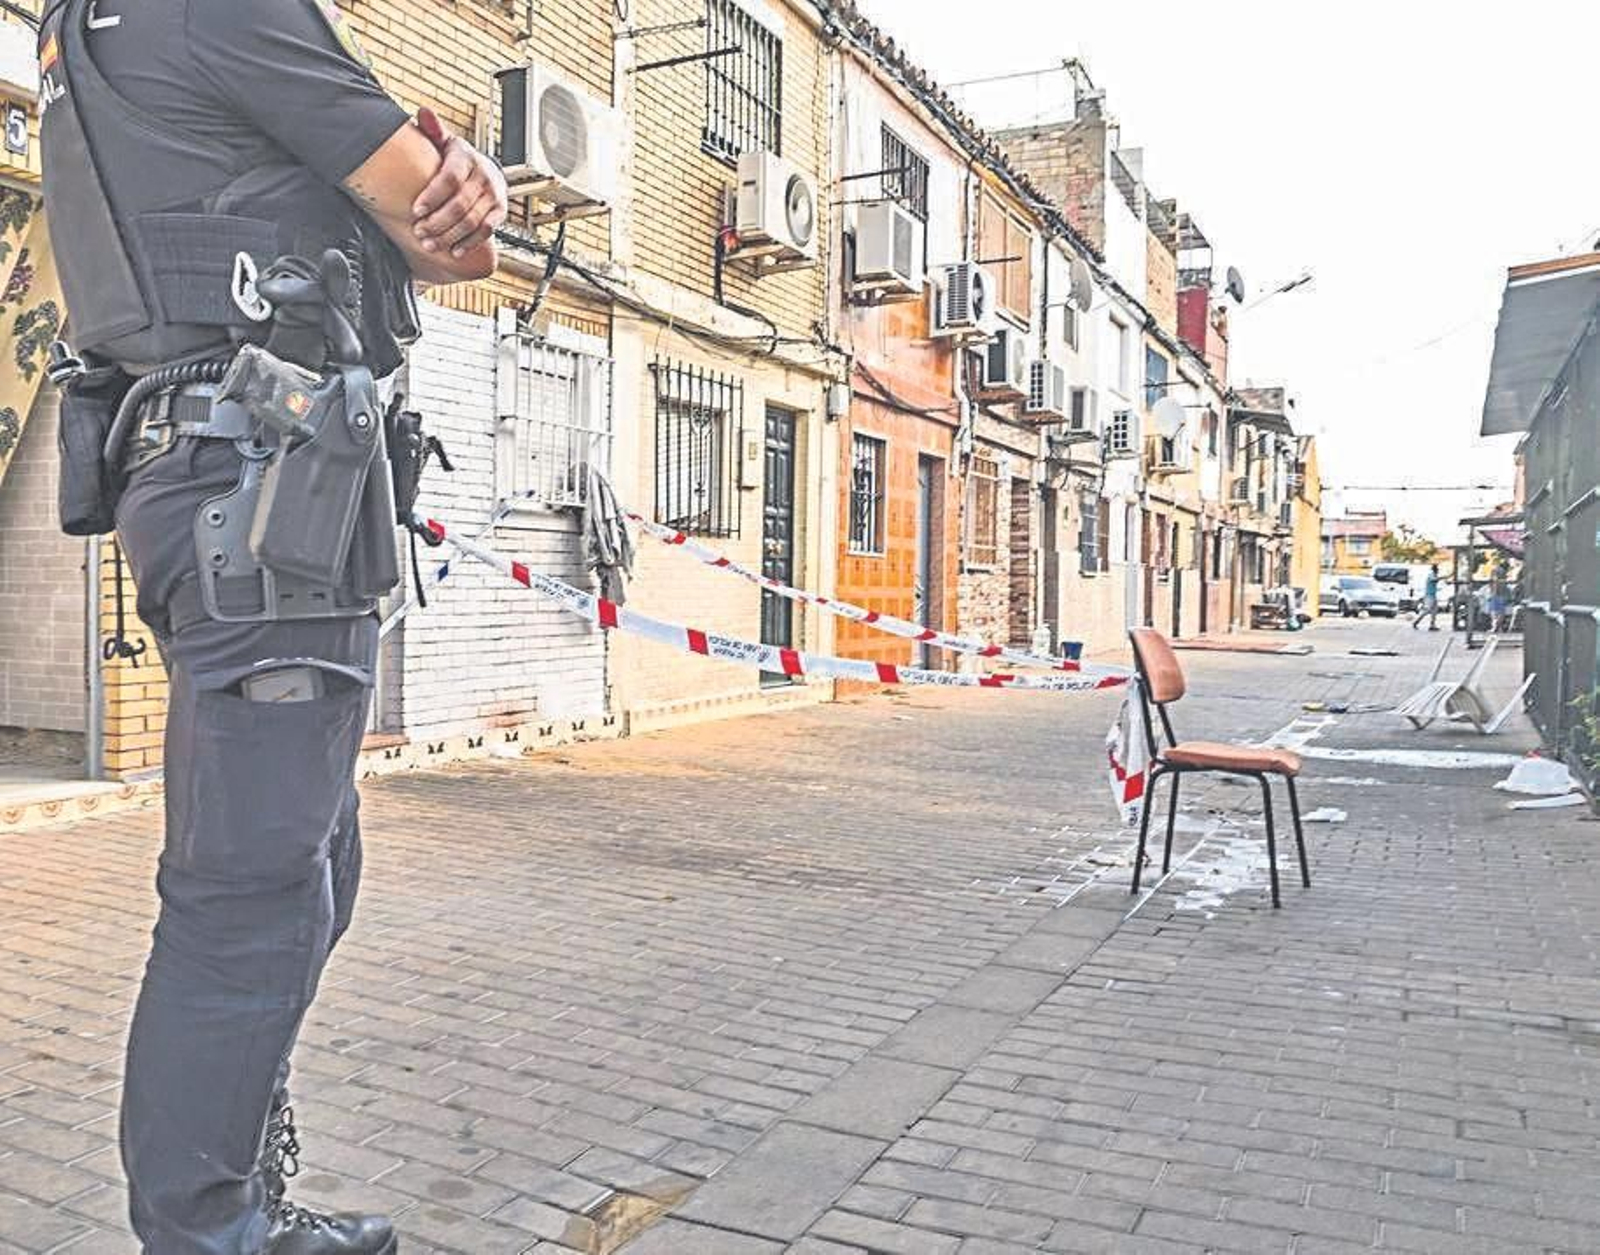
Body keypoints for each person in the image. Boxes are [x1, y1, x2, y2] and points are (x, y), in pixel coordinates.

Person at [39, 2, 507, 1251]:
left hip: (215, 482)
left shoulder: (84, 29)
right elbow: (452, 245)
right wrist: (462, 188)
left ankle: (245, 1198)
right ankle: (210, 1234)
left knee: (305, 870)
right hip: (261, 492)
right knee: (247, 894)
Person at [1412, 564, 1442, 631]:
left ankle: (1432, 625)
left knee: (1434, 611)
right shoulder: (1431, 575)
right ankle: (1416, 622)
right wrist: (1444, 577)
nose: (1438, 571)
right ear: (1435, 570)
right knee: (1427, 610)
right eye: (1437, 569)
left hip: (1433, 595)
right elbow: (1434, 580)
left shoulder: (1434, 575)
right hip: (1429, 596)